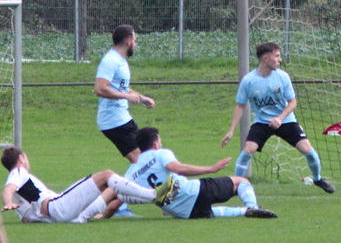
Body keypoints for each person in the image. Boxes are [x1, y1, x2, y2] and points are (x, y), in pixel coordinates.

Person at [221, 42, 335, 194]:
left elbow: (292, 102)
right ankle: (236, 186)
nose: (280, 60)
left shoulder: (282, 77)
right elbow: (240, 106)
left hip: (285, 120)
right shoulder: (249, 81)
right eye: (277, 56)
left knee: (308, 151)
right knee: (248, 150)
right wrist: (231, 131)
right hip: (262, 122)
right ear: (265, 58)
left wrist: (280, 118)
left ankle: (318, 179)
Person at [127, 127, 276, 219]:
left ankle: (244, 211)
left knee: (206, 212)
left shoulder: (133, 171)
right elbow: (177, 168)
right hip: (196, 191)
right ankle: (253, 207)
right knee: (241, 182)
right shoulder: (160, 153)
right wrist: (210, 169)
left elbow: (119, 194)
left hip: (181, 212)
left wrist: (110, 212)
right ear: (155, 144)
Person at [1, 146, 178, 224]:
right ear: (21, 158)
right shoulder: (19, 172)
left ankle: (158, 199)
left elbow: (27, 219)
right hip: (59, 208)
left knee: (112, 189)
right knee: (106, 176)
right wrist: (7, 202)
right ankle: (154, 195)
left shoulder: (20, 197)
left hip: (66, 216)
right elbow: (8, 189)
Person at [94, 25, 155, 218]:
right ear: (128, 41)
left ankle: (116, 203)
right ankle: (115, 206)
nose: (135, 44)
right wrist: (126, 97)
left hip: (122, 118)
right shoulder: (110, 61)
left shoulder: (120, 61)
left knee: (144, 160)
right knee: (141, 162)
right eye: (135, 40)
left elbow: (121, 87)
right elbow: (100, 89)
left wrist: (141, 98)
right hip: (113, 121)